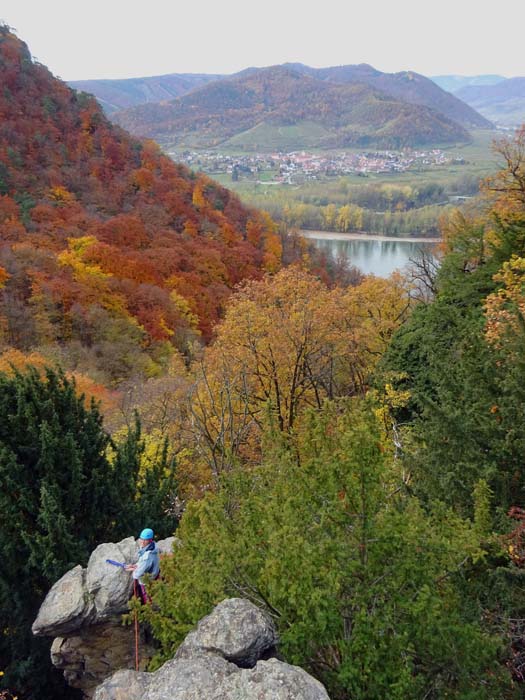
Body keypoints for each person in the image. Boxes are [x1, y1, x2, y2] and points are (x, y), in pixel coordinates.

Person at [125, 527, 160, 603]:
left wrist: (133, 570)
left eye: (145, 540)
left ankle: (148, 608)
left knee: (146, 597)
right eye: (142, 539)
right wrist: (135, 565)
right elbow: (142, 563)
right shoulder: (153, 547)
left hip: (147, 580)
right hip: (154, 574)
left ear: (150, 540)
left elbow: (138, 574)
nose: (143, 542)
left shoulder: (148, 555)